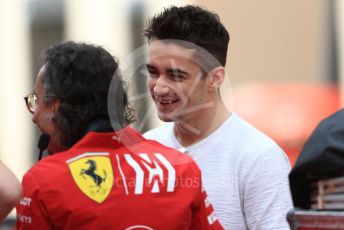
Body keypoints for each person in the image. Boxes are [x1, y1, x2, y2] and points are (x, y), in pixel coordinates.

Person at [16, 41, 223, 229]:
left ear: (55, 106)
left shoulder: (41, 182)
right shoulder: (181, 167)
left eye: (36, 101)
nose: (34, 116)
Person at [143, 5, 293, 229]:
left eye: (176, 75)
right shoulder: (144, 148)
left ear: (215, 78)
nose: (159, 88)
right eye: (154, 73)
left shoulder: (259, 158)